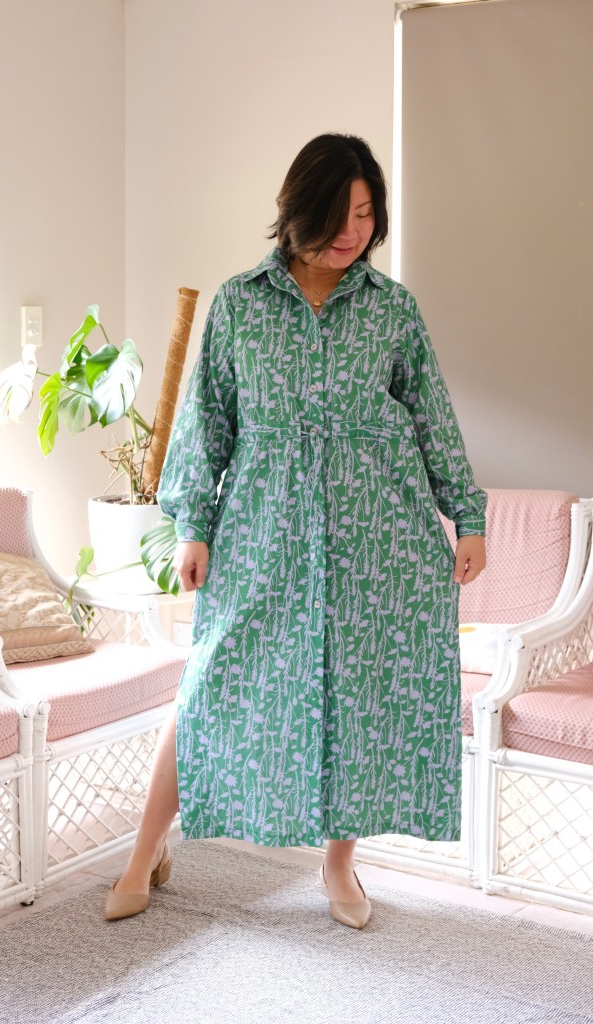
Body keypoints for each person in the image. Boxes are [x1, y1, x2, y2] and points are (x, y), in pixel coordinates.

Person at [104, 133, 488, 930]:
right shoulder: (238, 304)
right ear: (297, 210)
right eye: (338, 213)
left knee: (355, 695)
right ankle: (144, 850)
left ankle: (338, 865)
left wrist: (467, 516)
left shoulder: (390, 309)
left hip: (376, 533)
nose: (353, 231)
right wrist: (193, 526)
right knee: (209, 685)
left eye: (365, 213)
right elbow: (207, 420)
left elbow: (431, 417)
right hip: (260, 530)